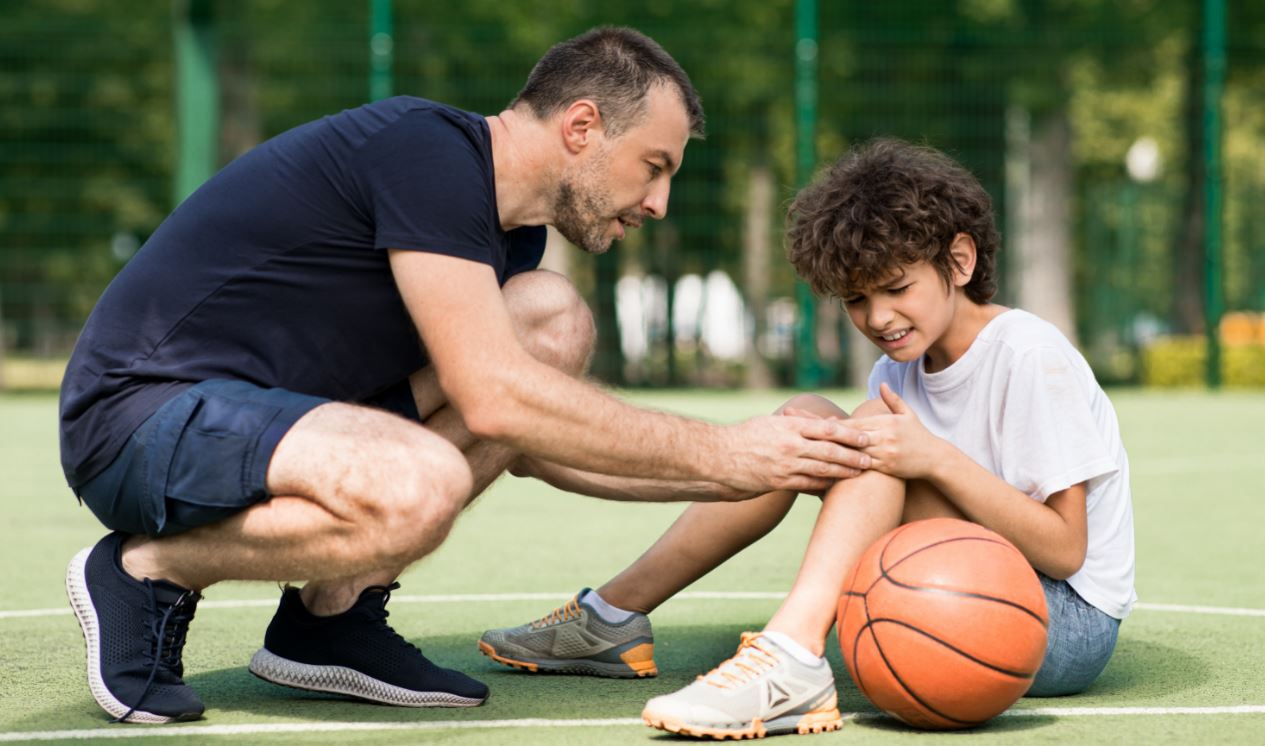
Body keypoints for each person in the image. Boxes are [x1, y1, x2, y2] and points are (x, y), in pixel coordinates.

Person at [59, 27, 873, 724]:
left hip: (270, 417)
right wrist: (724, 450)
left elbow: (527, 438)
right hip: (141, 417)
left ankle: (328, 618)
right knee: (420, 483)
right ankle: (146, 571)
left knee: (549, 319)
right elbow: (494, 397)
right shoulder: (428, 152)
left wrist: (763, 472)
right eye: (652, 165)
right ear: (583, 126)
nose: (658, 202)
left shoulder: (507, 237)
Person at [480, 138, 1136, 739]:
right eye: (854, 300)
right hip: (957, 580)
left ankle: (791, 657)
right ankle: (612, 617)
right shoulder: (897, 370)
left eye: (896, 288)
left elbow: (1064, 549)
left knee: (870, 441)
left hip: (1057, 620)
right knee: (805, 421)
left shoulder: (1026, 354)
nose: (877, 317)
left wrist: (933, 458)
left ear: (958, 261)